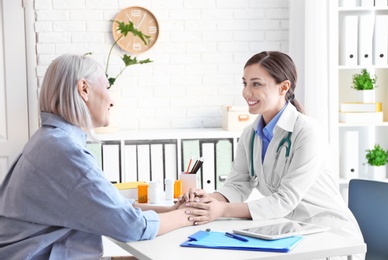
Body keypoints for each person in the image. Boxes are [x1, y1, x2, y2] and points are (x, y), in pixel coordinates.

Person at [0, 54, 202, 259]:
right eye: (106, 87)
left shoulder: (47, 140)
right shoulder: (66, 152)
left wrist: (170, 210)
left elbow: (108, 206)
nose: (112, 100)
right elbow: (132, 227)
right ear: (84, 89)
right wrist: (189, 215)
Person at [181, 51, 364, 248]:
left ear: (283, 87)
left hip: (330, 236)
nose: (246, 92)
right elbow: (237, 185)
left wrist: (222, 210)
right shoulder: (250, 134)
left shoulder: (308, 132)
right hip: (287, 230)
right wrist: (207, 201)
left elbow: (285, 200)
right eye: (245, 83)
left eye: (256, 84)